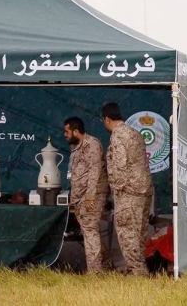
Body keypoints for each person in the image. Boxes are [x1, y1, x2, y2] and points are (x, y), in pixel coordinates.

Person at [101, 103, 153, 276]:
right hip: (143, 189)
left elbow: (120, 165)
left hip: (128, 192)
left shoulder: (118, 136)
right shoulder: (135, 133)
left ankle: (137, 273)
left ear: (107, 119)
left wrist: (115, 189)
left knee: (127, 234)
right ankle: (139, 269)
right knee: (139, 233)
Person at [63, 117, 109, 273]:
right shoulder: (76, 147)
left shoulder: (92, 144)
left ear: (76, 131)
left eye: (67, 131)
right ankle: (105, 264)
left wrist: (90, 196)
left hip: (92, 195)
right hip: (80, 196)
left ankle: (95, 272)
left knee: (90, 230)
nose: (65, 135)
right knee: (88, 231)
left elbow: (95, 171)